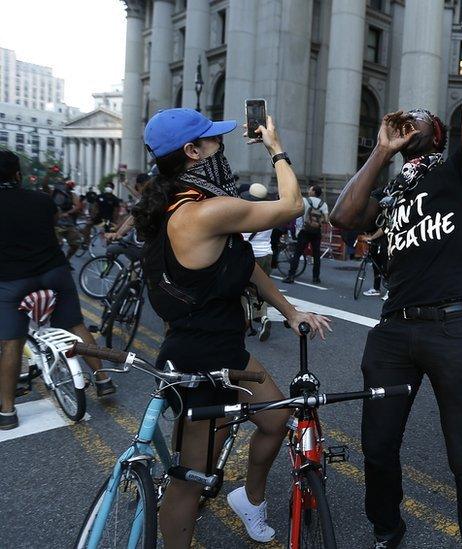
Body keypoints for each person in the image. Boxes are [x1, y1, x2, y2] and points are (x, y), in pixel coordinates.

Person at [329, 2, 462, 546]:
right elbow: (342, 218)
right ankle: (387, 526)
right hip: (394, 330)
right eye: (404, 119)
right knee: (378, 445)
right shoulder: (392, 190)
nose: (410, 120)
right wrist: (381, 151)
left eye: (420, 118)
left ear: (441, 135)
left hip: (452, 327)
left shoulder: (459, 171)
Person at [134, 108, 331, 545]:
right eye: (213, 140)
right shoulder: (204, 212)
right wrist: (275, 148)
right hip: (198, 358)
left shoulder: (184, 201)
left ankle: (250, 498)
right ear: (192, 152)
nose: (221, 147)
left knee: (277, 418)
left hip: (224, 351)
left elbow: (243, 266)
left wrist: (289, 310)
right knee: (192, 478)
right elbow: (292, 206)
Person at [0, 151, 116, 430]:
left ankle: (7, 411)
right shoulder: (42, 201)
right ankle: (102, 379)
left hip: (12, 280)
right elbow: (48, 230)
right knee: (75, 324)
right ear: (18, 175)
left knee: (11, 342)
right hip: (54, 272)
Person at [242, 183, 274, 341]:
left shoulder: (245, 211)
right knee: (261, 289)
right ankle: (263, 318)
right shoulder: (271, 212)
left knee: (242, 288)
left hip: (249, 254)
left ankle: (245, 320)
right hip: (266, 254)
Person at [283, 184, 328, 285]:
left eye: (310, 189)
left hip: (304, 231)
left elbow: (297, 211)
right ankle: (316, 278)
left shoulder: (305, 201)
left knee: (297, 254)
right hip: (316, 232)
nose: (309, 190)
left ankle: (291, 276)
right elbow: (326, 219)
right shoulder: (323, 204)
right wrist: (317, 222)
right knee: (316, 256)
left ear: (313, 192)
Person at [52, 180, 84, 258]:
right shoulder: (54, 193)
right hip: (55, 224)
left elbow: (78, 206)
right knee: (58, 244)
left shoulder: (72, 195)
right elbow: (45, 185)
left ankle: (67, 260)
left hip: (68, 223)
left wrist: (68, 213)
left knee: (76, 243)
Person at [361, 228, 386, 298]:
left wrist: (371, 237)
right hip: (376, 242)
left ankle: (389, 291)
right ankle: (376, 288)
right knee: (376, 266)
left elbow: (384, 228)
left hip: (386, 241)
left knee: (386, 266)